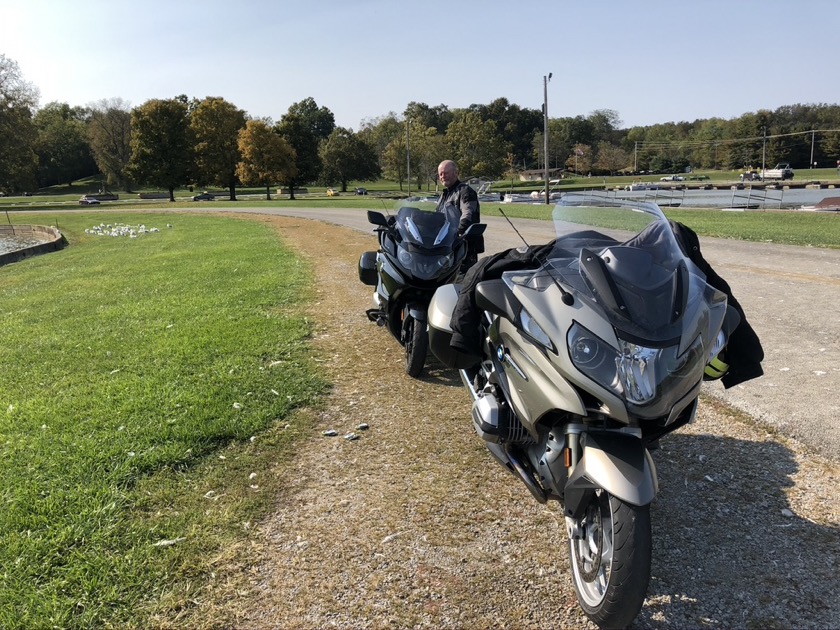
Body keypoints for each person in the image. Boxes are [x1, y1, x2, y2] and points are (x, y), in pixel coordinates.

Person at [436, 160, 484, 273]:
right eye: (440, 174)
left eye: (446, 173)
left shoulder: (465, 191)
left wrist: (457, 232)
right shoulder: (445, 194)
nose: (443, 176)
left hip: (463, 247)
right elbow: (437, 217)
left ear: (456, 173)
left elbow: (468, 214)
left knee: (463, 282)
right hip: (446, 246)